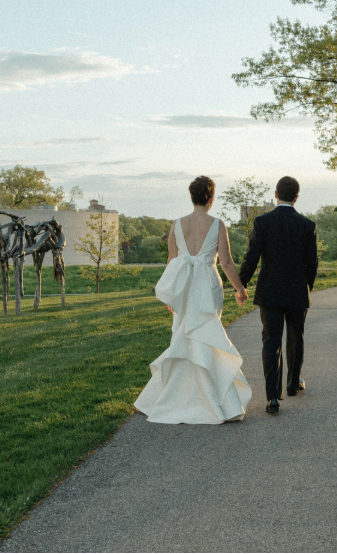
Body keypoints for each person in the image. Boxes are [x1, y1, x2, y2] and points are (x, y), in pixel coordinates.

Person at [134, 175, 252, 424]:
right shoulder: (218, 224)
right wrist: (240, 289)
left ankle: (180, 399)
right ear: (210, 199)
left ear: (192, 197)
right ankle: (214, 401)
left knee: (184, 336)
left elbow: (172, 263)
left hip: (185, 286)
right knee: (208, 336)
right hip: (208, 286)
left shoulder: (177, 224)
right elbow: (227, 263)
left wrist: (171, 293)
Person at [239, 176, 318, 414]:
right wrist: (308, 287)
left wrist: (240, 284)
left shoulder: (262, 222)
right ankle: (293, 384)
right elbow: (312, 263)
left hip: (269, 292)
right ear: (296, 197)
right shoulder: (307, 225)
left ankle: (273, 397)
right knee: (296, 337)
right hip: (296, 291)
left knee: (270, 341)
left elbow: (251, 257)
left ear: (276, 194)